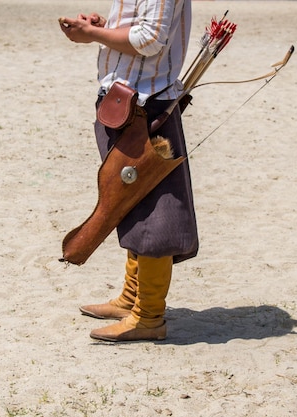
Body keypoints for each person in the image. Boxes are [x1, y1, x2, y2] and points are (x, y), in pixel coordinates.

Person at [59, 0, 198, 342]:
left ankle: (149, 315)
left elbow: (149, 40)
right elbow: (141, 28)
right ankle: (132, 299)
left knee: (154, 212)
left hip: (145, 105)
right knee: (130, 203)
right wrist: (106, 26)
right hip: (128, 99)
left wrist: (93, 34)